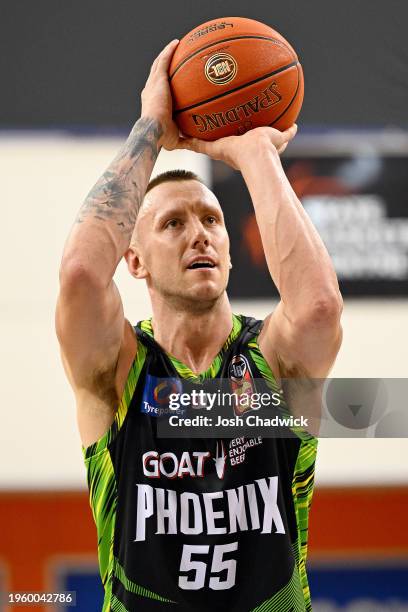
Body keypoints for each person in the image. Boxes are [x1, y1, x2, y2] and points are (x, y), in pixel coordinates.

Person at [55, 39, 343, 612]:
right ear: (133, 261)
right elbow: (82, 276)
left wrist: (257, 152)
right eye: (173, 223)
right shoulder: (119, 370)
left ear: (231, 252)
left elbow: (318, 308)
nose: (200, 234)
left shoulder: (272, 361)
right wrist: (151, 130)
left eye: (212, 219)